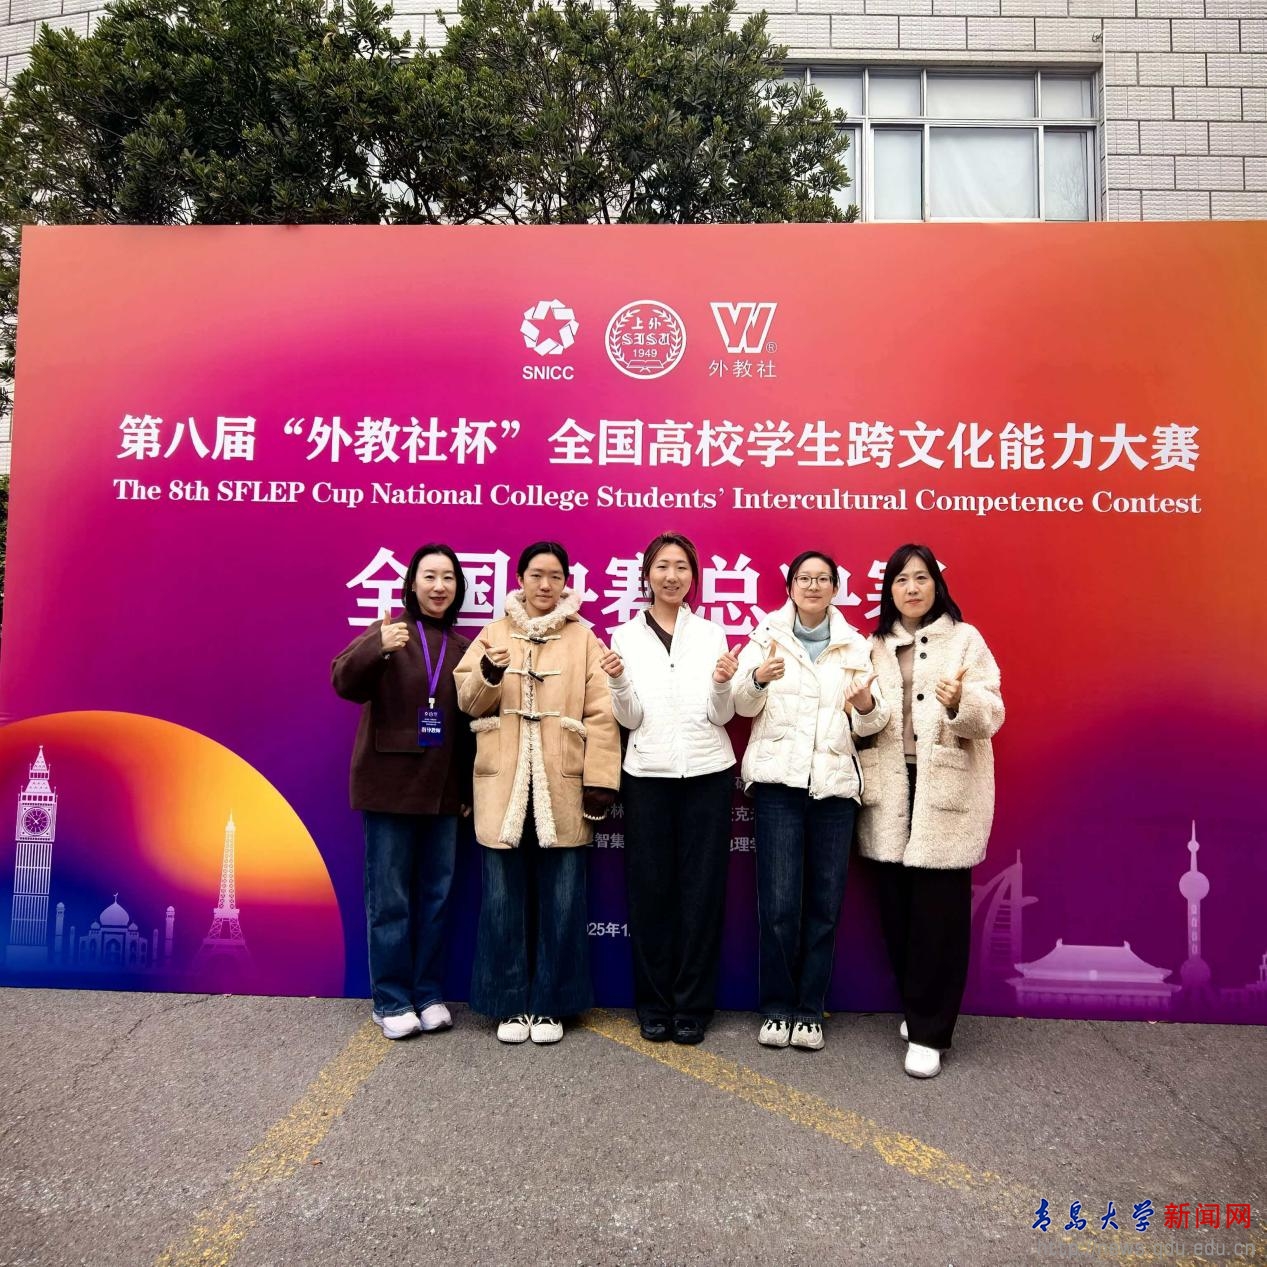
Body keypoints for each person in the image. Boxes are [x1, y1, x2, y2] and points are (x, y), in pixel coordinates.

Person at [454, 541, 621, 1046]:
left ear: (566, 583)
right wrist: (489, 673)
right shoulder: (493, 633)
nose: (545, 585)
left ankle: (552, 1003)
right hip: (504, 783)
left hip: (561, 784)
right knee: (501, 900)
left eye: (555, 576)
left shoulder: (584, 639)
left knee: (564, 900)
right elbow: (467, 701)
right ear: (520, 579)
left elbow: (603, 714)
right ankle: (507, 1002)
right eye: (536, 575)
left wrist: (600, 780)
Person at [857, 544, 1004, 1079]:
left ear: (936, 586)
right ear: (889, 590)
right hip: (892, 788)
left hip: (944, 786)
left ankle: (930, 1031)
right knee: (898, 913)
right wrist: (863, 707)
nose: (912, 588)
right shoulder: (875, 646)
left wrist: (959, 700)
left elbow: (991, 715)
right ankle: (919, 1008)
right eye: (901, 580)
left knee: (939, 919)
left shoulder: (965, 639)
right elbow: (864, 725)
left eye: (921, 578)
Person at [733, 551, 889, 1051]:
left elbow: (874, 721)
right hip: (779, 787)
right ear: (790, 586)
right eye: (804, 578)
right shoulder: (766, 636)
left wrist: (865, 704)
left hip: (834, 790)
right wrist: (758, 678)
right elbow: (740, 704)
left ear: (836, 588)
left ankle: (808, 1010)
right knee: (779, 904)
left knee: (824, 906)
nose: (814, 586)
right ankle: (777, 1007)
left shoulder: (856, 645)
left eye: (823, 579)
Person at [599, 532, 739, 1046]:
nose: (672, 576)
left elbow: (721, 715)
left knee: (702, 895)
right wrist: (618, 681)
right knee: (650, 894)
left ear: (693, 577)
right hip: (647, 778)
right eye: (662, 566)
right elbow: (630, 719)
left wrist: (722, 682)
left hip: (708, 774)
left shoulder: (712, 634)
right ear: (647, 575)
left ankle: (693, 1007)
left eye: (682, 567)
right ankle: (654, 1005)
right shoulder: (623, 637)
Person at [331, 544, 473, 1040]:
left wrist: (465, 788)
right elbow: (343, 681)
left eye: (448, 578)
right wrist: (377, 646)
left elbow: (469, 726)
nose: (439, 586)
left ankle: (428, 994)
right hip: (389, 789)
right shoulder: (389, 631)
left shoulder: (462, 648)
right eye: (429, 576)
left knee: (436, 898)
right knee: (389, 899)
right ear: (412, 584)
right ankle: (390, 1000)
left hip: (442, 792)